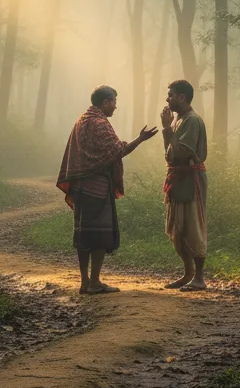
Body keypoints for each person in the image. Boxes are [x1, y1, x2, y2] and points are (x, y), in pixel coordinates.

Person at [56, 85, 157, 294]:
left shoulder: (81, 120)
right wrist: (141, 139)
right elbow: (117, 151)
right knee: (100, 235)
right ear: (105, 102)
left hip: (80, 187)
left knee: (83, 234)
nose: (115, 106)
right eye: (113, 102)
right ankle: (94, 282)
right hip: (97, 188)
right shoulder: (100, 123)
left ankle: (84, 281)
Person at [161, 78, 208, 291]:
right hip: (178, 177)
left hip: (191, 179)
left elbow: (182, 152)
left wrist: (167, 130)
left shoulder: (192, 120)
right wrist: (167, 130)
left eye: (170, 95)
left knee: (193, 225)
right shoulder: (177, 120)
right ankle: (187, 274)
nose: (167, 99)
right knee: (177, 227)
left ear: (182, 97)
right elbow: (170, 154)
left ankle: (199, 278)